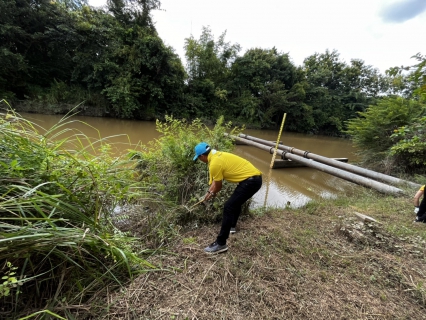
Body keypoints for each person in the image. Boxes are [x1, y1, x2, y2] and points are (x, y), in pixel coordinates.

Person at [193, 142, 262, 254]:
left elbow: (219, 186)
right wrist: (209, 192)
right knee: (235, 203)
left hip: (251, 182)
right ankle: (232, 227)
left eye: (199, 158)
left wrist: (212, 194)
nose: (200, 161)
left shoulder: (214, 163)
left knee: (229, 207)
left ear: (202, 156)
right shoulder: (217, 155)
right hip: (252, 179)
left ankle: (221, 243)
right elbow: (215, 182)